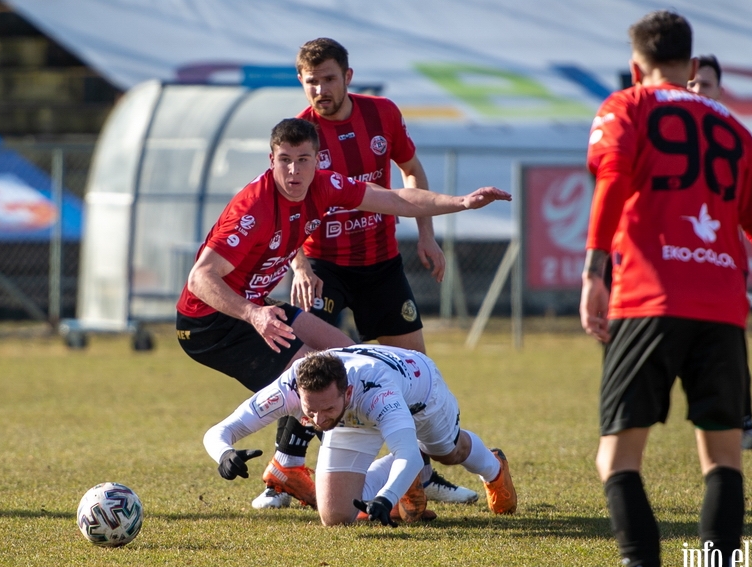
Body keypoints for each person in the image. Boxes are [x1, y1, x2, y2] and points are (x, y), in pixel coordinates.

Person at [580, 11, 752, 567]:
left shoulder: (625, 106)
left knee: (618, 462)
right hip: (723, 310)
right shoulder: (738, 131)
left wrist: (593, 271)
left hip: (648, 303)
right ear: (690, 62)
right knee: (723, 459)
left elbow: (610, 181)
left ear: (637, 66)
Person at [176, 117, 509, 506]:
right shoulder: (253, 209)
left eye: (303, 160)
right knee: (322, 384)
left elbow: (395, 198)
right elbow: (200, 278)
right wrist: (254, 314)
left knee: (349, 360)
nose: (294, 170)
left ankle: (298, 466)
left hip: (258, 309)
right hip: (211, 324)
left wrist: (462, 202)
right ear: (271, 159)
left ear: (318, 160)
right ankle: (404, 477)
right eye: (284, 160)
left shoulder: (326, 184)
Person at [250, 37, 478, 510]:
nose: (320, 90)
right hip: (323, 265)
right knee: (311, 359)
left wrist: (428, 236)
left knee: (415, 368)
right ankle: (284, 470)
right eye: (311, 82)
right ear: (301, 81)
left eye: (329, 79)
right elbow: (286, 203)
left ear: (348, 77)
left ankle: (420, 477)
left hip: (380, 262)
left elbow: (412, 173)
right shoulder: (299, 134)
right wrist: (300, 264)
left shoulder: (382, 115)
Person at [203, 344, 517, 527]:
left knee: (447, 453)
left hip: (421, 390)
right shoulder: (290, 389)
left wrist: (385, 497)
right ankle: (404, 484)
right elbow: (220, 430)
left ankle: (494, 468)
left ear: (347, 391)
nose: (317, 420)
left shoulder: (376, 390)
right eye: (310, 410)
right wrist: (224, 454)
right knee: (336, 516)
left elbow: (408, 453)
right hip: (354, 415)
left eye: (326, 409)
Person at [688, 55, 752, 451]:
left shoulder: (734, 138)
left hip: (720, 264)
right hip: (672, 264)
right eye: (693, 84)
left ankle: (741, 417)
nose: (698, 91)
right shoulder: (667, 134)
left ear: (721, 91)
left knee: (729, 344)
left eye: (706, 85)